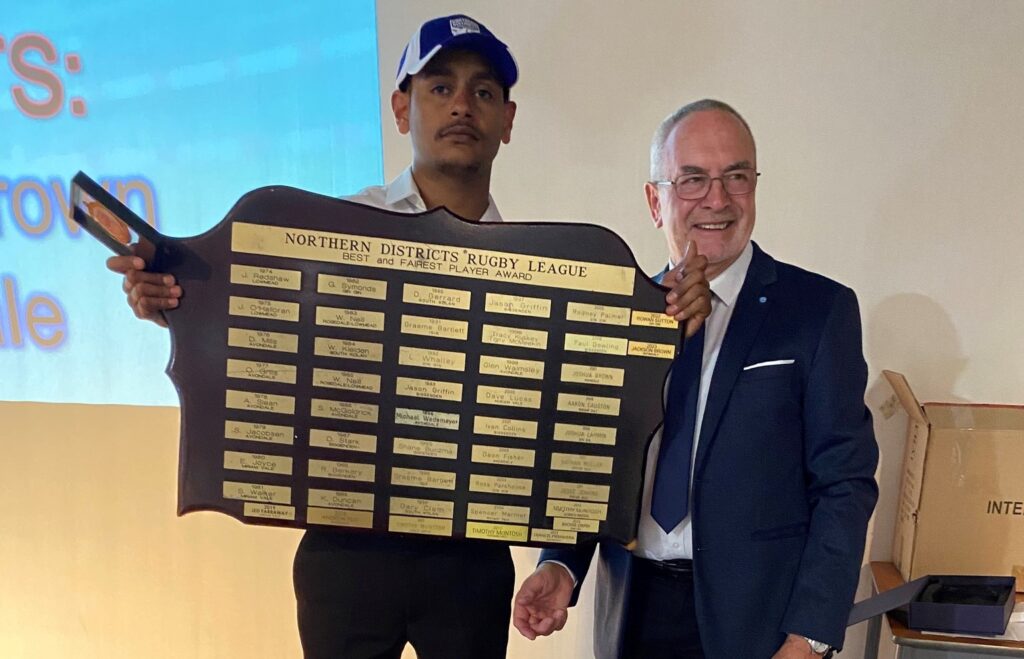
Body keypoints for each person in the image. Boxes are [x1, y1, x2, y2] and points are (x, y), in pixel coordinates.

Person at [106, 16, 712, 659]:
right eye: (439, 86)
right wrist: (175, 301)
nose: (460, 105)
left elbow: (595, 395)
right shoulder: (327, 233)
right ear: (402, 108)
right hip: (343, 554)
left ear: (508, 120)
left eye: (483, 92)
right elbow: (251, 331)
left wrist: (670, 311)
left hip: (470, 562)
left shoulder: (543, 272)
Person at [513, 99, 880, 659]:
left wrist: (810, 636)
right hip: (631, 613)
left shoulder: (818, 312)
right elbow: (592, 465)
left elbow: (845, 486)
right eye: (692, 179)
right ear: (654, 200)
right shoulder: (616, 317)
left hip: (760, 629)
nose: (717, 198)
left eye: (736, 176)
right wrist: (562, 565)